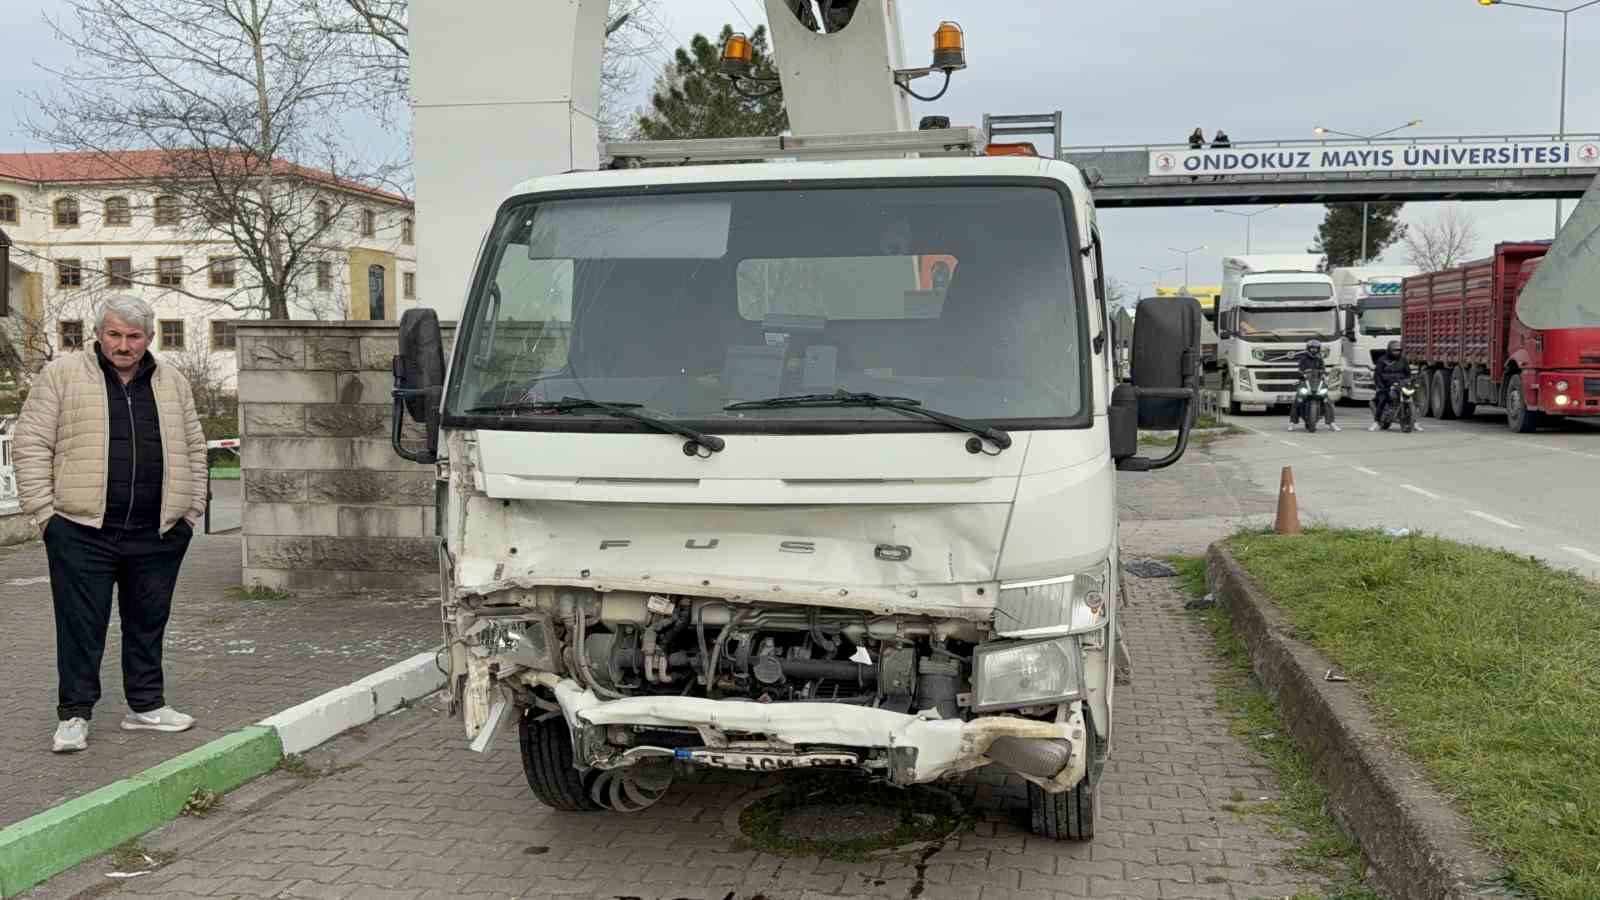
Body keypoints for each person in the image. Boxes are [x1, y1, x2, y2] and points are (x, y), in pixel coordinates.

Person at [13, 295, 208, 753]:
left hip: (158, 531)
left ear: (150, 339)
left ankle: (146, 706)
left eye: (133, 336)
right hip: (81, 531)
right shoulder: (61, 375)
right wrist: (46, 516)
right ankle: (75, 715)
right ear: (99, 334)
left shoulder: (172, 381)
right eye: (115, 334)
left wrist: (189, 512)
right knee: (81, 625)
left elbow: (196, 448)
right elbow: (30, 443)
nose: (124, 345)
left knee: (147, 622)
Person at [1287, 338, 1340, 431]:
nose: (1314, 350)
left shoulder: (1320, 360)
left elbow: (1323, 370)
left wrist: (1324, 374)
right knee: (1297, 401)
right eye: (1312, 348)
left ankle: (1331, 423)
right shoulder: (1303, 360)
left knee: (1328, 401)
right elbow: (1299, 370)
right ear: (1308, 348)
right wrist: (1301, 373)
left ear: (1318, 349)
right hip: (1305, 383)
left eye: (1316, 348)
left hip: (1317, 383)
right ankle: (1292, 423)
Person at [1369, 339, 1418, 431]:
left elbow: (1408, 374)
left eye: (1399, 350)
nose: (1397, 352)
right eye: (1395, 350)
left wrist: (1410, 382)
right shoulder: (1382, 360)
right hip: (1386, 385)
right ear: (1389, 350)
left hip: (1400, 384)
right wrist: (1380, 386)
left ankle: (1414, 422)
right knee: (1382, 400)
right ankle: (1376, 422)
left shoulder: (1403, 360)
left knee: (1411, 397)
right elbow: (1377, 375)